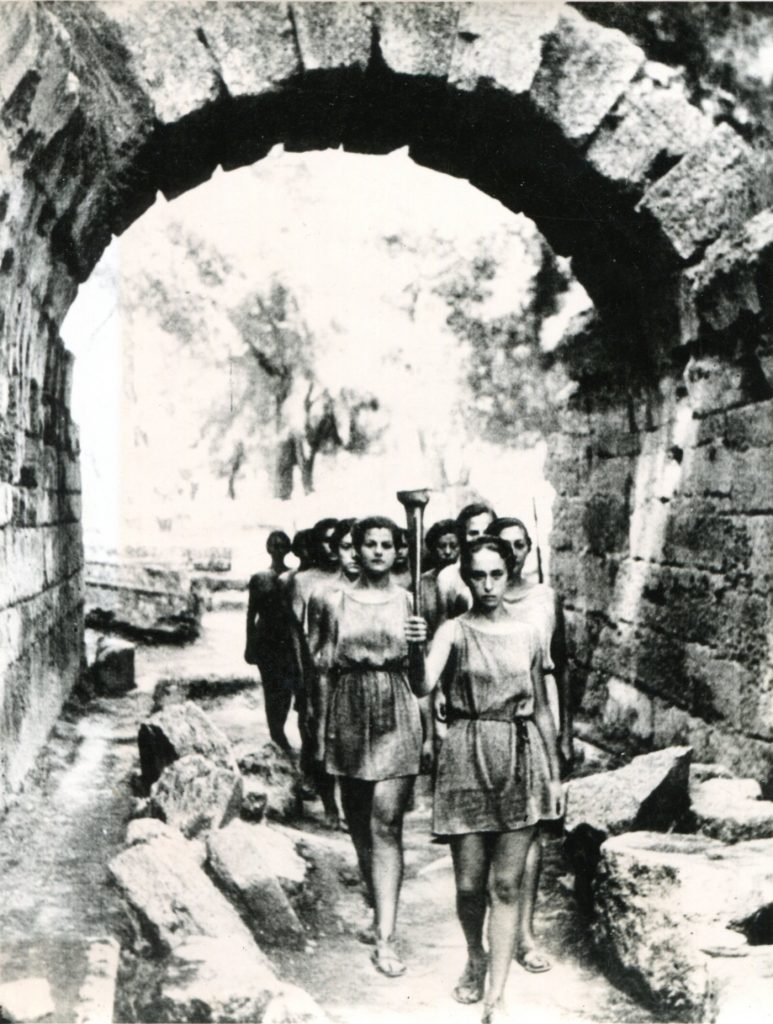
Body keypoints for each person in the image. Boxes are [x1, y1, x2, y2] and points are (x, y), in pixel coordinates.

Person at [405, 536, 563, 1023]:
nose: (489, 584)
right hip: (466, 758)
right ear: (465, 576)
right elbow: (420, 685)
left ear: (509, 572)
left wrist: (554, 777)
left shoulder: (529, 632)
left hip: (520, 758)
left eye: (497, 574)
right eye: (479, 575)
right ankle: (475, 954)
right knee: (471, 886)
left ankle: (496, 995)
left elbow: (539, 709)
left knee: (508, 886)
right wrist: (414, 647)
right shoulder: (452, 631)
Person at [307, 516, 422, 978]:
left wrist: (420, 642)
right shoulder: (333, 602)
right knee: (359, 822)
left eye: (386, 545)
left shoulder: (410, 602)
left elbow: (421, 678)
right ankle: (377, 907)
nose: (377, 551)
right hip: (349, 709)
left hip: (397, 709)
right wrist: (317, 730)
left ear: (398, 551)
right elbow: (319, 669)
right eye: (369, 544)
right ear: (356, 549)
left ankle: (387, 938)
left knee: (386, 824)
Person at [486, 516, 572, 974]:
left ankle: (525, 933)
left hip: (538, 713)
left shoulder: (545, 598)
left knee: (533, 826)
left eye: (522, 545)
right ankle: (492, 930)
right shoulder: (477, 593)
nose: (515, 553)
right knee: (489, 829)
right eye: (506, 545)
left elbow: (563, 665)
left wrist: (566, 733)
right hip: (491, 717)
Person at [245, 531, 306, 754]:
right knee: (271, 689)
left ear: (289, 549)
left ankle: (280, 731)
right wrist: (249, 644)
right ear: (268, 547)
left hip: (287, 640)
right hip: (266, 640)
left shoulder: (294, 577)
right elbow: (251, 613)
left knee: (288, 688)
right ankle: (277, 734)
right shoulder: (259, 578)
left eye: (283, 545)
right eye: (274, 545)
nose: (278, 549)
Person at [435, 502, 497, 623]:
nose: (481, 538)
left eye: (487, 532)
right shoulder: (447, 577)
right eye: (473, 533)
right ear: (462, 536)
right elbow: (443, 626)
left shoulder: (505, 574)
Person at [421, 518, 459, 640]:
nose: (448, 552)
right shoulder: (422, 582)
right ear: (433, 549)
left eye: (453, 546)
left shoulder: (466, 579)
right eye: (442, 546)